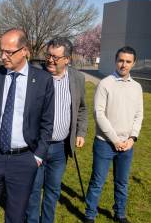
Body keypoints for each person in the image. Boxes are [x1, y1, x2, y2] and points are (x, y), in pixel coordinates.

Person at [0, 28, 55, 223]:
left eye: (9, 51)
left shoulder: (43, 80)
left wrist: (38, 156)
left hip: (24, 160)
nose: (3, 56)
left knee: (16, 216)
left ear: (25, 50)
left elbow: (47, 123)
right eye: (1, 50)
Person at [25, 37, 88, 223]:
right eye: (48, 55)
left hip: (61, 148)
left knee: (53, 190)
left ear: (67, 59)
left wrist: (81, 132)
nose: (50, 60)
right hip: (36, 146)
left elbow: (82, 108)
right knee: (34, 189)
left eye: (56, 57)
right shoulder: (35, 74)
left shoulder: (77, 78)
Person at [84, 46, 143, 223]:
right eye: (121, 60)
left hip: (127, 145)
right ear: (115, 61)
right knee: (97, 182)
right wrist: (115, 140)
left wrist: (132, 138)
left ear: (134, 63)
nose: (123, 64)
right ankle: (90, 215)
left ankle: (120, 214)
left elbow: (139, 114)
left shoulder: (137, 87)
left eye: (128, 61)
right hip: (105, 143)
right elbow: (98, 114)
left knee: (122, 183)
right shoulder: (105, 83)